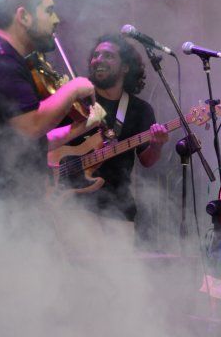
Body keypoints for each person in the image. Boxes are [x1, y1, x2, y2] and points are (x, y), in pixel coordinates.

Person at [0, 0, 101, 202]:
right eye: (49, 11)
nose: (56, 19)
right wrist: (73, 88)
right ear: (23, 17)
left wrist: (82, 126)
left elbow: (19, 140)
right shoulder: (0, 60)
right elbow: (30, 127)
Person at [67, 34, 169, 224]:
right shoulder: (76, 99)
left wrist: (156, 146)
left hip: (117, 210)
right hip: (71, 206)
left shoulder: (140, 109)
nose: (99, 59)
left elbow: (146, 160)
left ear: (125, 67)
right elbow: (48, 141)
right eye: (96, 55)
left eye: (108, 56)